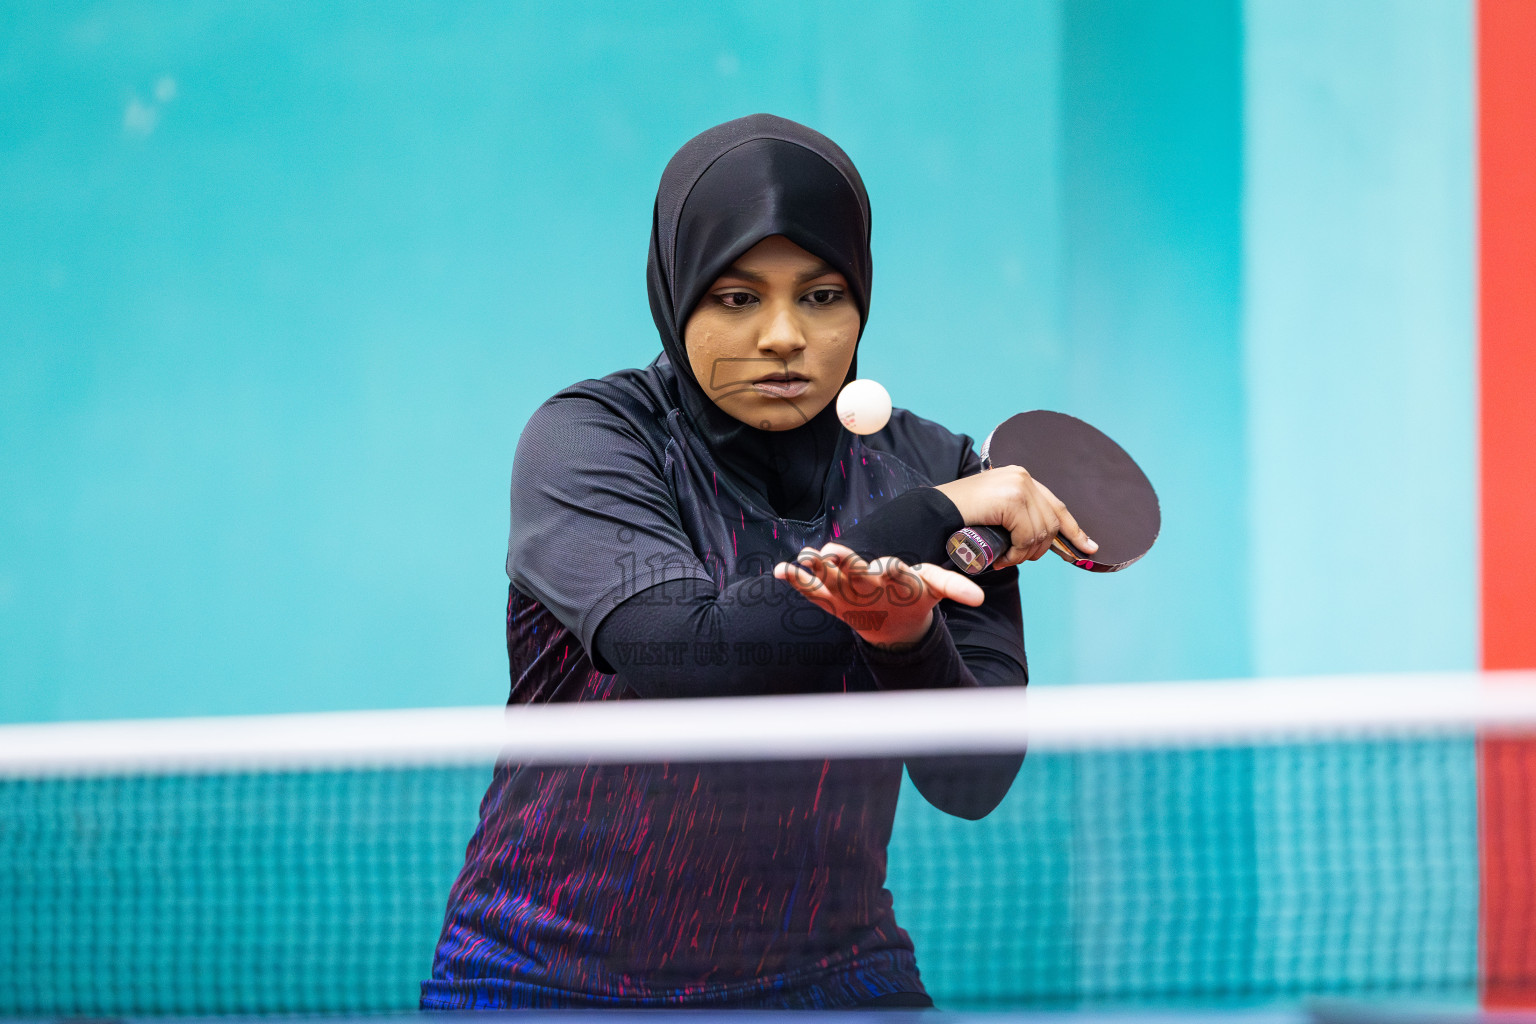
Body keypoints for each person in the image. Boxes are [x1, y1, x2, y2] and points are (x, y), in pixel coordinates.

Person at [420, 114, 1096, 1010]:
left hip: (829, 973)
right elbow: (690, 654)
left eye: (820, 296)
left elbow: (970, 780)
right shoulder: (591, 441)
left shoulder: (934, 469)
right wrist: (934, 517)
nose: (784, 336)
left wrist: (904, 642)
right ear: (678, 291)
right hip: (547, 975)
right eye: (738, 298)